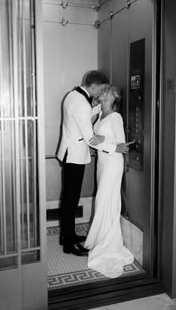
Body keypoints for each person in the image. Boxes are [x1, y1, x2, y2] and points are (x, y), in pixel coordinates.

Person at [57, 71, 128, 256]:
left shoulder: (72, 96)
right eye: (101, 89)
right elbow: (90, 138)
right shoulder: (81, 103)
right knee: (71, 200)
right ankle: (69, 243)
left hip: (71, 153)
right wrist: (114, 148)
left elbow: (88, 115)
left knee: (69, 198)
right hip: (75, 156)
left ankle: (67, 235)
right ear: (94, 86)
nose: (100, 93)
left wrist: (99, 108)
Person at [84, 84, 134, 277]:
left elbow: (122, 145)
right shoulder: (100, 115)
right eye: (101, 90)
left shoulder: (115, 117)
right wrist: (96, 107)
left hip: (113, 164)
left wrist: (100, 141)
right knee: (102, 201)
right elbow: (97, 133)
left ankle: (108, 244)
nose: (102, 93)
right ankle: (99, 239)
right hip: (102, 163)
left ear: (114, 97)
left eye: (106, 91)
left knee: (107, 201)